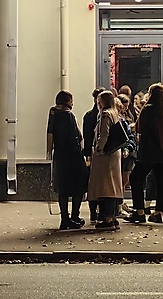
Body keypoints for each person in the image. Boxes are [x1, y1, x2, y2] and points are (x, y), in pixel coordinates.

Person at [125, 83, 163, 224]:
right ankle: (158, 213)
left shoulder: (148, 109)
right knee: (162, 182)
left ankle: (139, 211)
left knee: (136, 178)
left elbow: (139, 128)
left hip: (149, 152)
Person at [46, 90, 88, 230]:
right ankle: (75, 216)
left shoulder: (53, 114)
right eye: (71, 100)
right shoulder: (68, 115)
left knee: (63, 189)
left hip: (60, 156)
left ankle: (64, 218)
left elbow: (50, 135)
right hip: (73, 157)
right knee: (78, 187)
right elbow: (77, 136)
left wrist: (49, 152)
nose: (72, 103)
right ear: (67, 101)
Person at [88, 90, 124, 230]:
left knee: (106, 186)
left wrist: (99, 148)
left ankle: (108, 219)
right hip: (114, 153)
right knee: (113, 186)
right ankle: (113, 217)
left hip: (105, 155)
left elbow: (104, 134)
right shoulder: (115, 113)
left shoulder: (105, 114)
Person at [82, 88, 103, 223]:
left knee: (93, 183)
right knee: (100, 183)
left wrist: (87, 154)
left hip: (92, 152)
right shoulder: (103, 115)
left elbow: (86, 137)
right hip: (100, 153)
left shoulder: (89, 116)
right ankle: (99, 211)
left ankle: (93, 211)